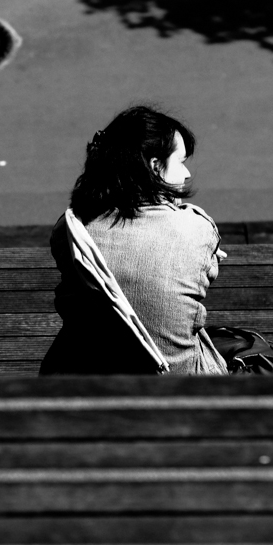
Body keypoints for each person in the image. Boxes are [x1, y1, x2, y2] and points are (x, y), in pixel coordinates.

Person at [39, 105, 229, 375]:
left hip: (83, 375)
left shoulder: (71, 228)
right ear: (154, 166)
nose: (186, 174)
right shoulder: (196, 228)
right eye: (181, 161)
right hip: (178, 385)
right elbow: (202, 276)